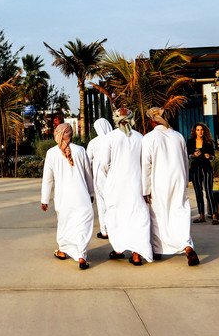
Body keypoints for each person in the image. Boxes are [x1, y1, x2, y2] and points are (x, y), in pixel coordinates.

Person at [141, 107, 199, 266]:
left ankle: (158, 250)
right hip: (178, 181)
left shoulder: (149, 138)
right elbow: (185, 161)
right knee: (180, 213)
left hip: (159, 182)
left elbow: (146, 165)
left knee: (158, 216)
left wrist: (145, 189)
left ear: (152, 120)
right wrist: (185, 182)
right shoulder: (178, 136)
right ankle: (187, 247)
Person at [100, 108, 153, 265]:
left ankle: (118, 249)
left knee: (116, 216)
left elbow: (104, 163)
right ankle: (136, 255)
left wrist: (112, 173)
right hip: (136, 183)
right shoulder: (140, 137)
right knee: (138, 217)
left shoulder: (110, 137)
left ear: (116, 120)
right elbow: (146, 163)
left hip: (116, 184)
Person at [41, 122, 95, 270]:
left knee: (65, 225)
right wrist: (91, 193)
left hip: (63, 198)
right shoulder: (80, 150)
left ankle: (63, 251)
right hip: (81, 196)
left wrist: (44, 200)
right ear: (70, 134)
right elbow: (88, 174)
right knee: (83, 225)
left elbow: (48, 179)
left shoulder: (51, 153)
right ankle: (81, 255)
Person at [85, 117, 113, 240]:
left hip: (99, 176)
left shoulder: (94, 142)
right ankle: (114, 229)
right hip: (114, 175)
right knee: (113, 203)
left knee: (101, 204)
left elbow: (87, 160)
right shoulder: (115, 139)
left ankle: (104, 231)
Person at [188, 123, 217, 224]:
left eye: (201, 130)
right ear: (195, 131)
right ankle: (201, 216)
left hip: (206, 169)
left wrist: (209, 157)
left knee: (209, 192)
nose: (200, 132)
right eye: (198, 130)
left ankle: (214, 215)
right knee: (198, 193)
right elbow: (188, 155)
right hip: (195, 169)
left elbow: (214, 157)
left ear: (204, 131)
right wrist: (193, 155)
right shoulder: (190, 142)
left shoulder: (208, 142)